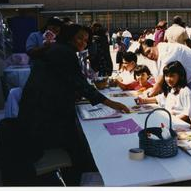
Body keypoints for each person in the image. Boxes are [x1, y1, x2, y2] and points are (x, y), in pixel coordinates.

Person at [17, 24, 129, 184]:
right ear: (69, 37)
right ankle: (78, 176)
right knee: (79, 145)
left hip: (39, 110)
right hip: (43, 116)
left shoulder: (59, 49)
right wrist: (112, 104)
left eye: (86, 40)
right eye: (79, 38)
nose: (83, 42)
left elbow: (64, 78)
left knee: (79, 136)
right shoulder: (64, 52)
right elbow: (80, 83)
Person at [136, 39, 191, 106]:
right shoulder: (157, 57)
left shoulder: (166, 50)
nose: (149, 56)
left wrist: (148, 95)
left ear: (154, 44)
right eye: (146, 55)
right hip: (187, 81)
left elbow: (159, 82)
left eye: (149, 51)